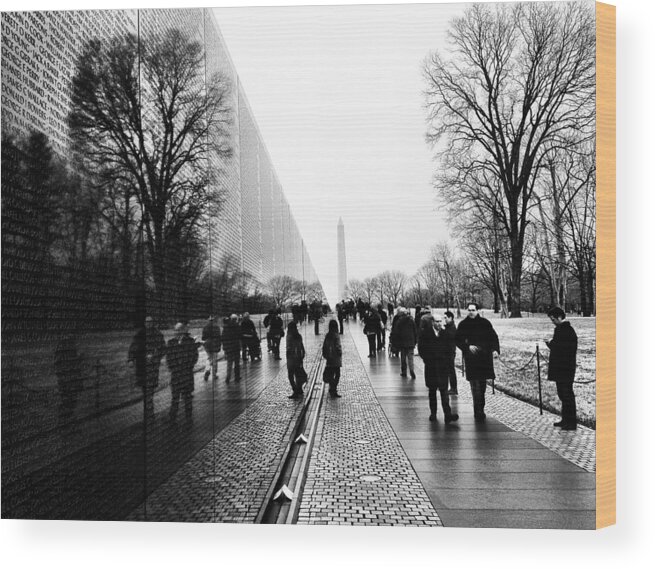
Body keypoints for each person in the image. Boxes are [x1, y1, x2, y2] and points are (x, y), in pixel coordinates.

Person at [456, 303, 500, 423]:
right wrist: (467, 347)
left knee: (482, 386)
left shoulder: (485, 323)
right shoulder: (463, 324)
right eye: (469, 310)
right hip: (472, 359)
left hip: (484, 358)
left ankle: (481, 407)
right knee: (475, 386)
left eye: (473, 310)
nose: (471, 312)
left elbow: (493, 337)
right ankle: (478, 411)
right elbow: (458, 339)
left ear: (478, 310)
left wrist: (495, 349)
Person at [418, 314, 459, 423]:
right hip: (431, 367)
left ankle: (447, 414)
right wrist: (427, 359)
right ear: (432, 322)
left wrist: (447, 361)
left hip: (442, 367)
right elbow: (421, 349)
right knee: (432, 391)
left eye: (440, 321)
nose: (439, 323)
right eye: (437, 321)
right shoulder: (425, 334)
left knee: (444, 391)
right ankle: (433, 413)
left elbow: (450, 349)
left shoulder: (446, 334)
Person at [545, 307, 578, 430]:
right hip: (563, 368)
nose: (552, 322)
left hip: (565, 368)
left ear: (559, 317)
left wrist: (551, 343)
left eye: (553, 319)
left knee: (567, 395)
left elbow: (562, 348)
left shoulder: (566, 331)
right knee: (563, 394)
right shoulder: (563, 330)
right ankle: (566, 420)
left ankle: (571, 422)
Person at [128, 316, 166, 421]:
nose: (148, 324)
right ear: (144, 323)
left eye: (150, 322)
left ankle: (149, 413)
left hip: (153, 367)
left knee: (150, 390)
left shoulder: (158, 334)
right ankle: (149, 412)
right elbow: (133, 347)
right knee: (145, 390)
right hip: (141, 367)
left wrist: (154, 356)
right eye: (147, 322)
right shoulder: (140, 334)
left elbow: (163, 349)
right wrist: (131, 359)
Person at [166, 322, 199, 421]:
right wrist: (173, 367)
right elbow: (169, 357)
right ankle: (172, 417)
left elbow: (194, 356)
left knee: (187, 397)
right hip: (176, 375)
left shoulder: (190, 341)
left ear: (182, 331)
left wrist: (188, 366)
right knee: (175, 397)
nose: (175, 333)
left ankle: (188, 417)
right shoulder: (171, 342)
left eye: (177, 330)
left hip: (186, 374)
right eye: (175, 330)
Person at [54, 332, 84, 421]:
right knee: (67, 401)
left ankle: (68, 419)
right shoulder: (63, 347)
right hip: (67, 380)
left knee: (71, 401)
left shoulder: (70, 347)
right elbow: (60, 364)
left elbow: (73, 364)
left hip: (71, 380)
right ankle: (65, 420)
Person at [391, 307, 417, 378]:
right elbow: (415, 331)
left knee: (403, 358)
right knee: (410, 357)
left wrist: (396, 342)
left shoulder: (399, 321)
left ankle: (404, 371)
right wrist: (415, 341)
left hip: (402, 342)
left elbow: (396, 333)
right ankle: (411, 370)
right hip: (411, 342)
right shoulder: (411, 320)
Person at [285, 321, 307, 399]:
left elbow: (288, 348)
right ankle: (299, 389)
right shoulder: (298, 336)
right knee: (298, 374)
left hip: (291, 358)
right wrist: (302, 355)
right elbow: (302, 346)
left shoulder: (289, 336)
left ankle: (295, 390)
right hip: (298, 357)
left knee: (290, 375)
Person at [322, 319, 343, 397]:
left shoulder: (328, 335)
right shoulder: (336, 335)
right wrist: (340, 353)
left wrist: (325, 355)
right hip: (336, 358)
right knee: (337, 374)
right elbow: (337, 346)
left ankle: (331, 388)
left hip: (329, 358)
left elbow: (324, 346)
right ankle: (333, 389)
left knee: (331, 374)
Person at [222, 314, 242, 381]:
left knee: (229, 362)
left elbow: (223, 338)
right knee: (237, 362)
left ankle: (228, 376)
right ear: (236, 319)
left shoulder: (226, 327)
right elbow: (240, 336)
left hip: (228, 347)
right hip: (236, 346)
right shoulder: (237, 326)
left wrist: (224, 348)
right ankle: (237, 377)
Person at [202, 316, 221, 381]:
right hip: (215, 344)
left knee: (209, 358)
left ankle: (207, 370)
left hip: (207, 344)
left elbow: (203, 337)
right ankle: (214, 374)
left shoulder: (205, 327)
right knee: (214, 359)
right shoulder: (217, 327)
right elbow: (219, 337)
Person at [443, 311, 458, 395]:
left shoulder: (451, 327)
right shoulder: (449, 327)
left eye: (446, 318)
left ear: (450, 318)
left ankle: (453, 388)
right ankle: (451, 387)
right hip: (447, 351)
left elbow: (450, 337)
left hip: (450, 351)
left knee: (451, 370)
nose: (444, 319)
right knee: (448, 370)